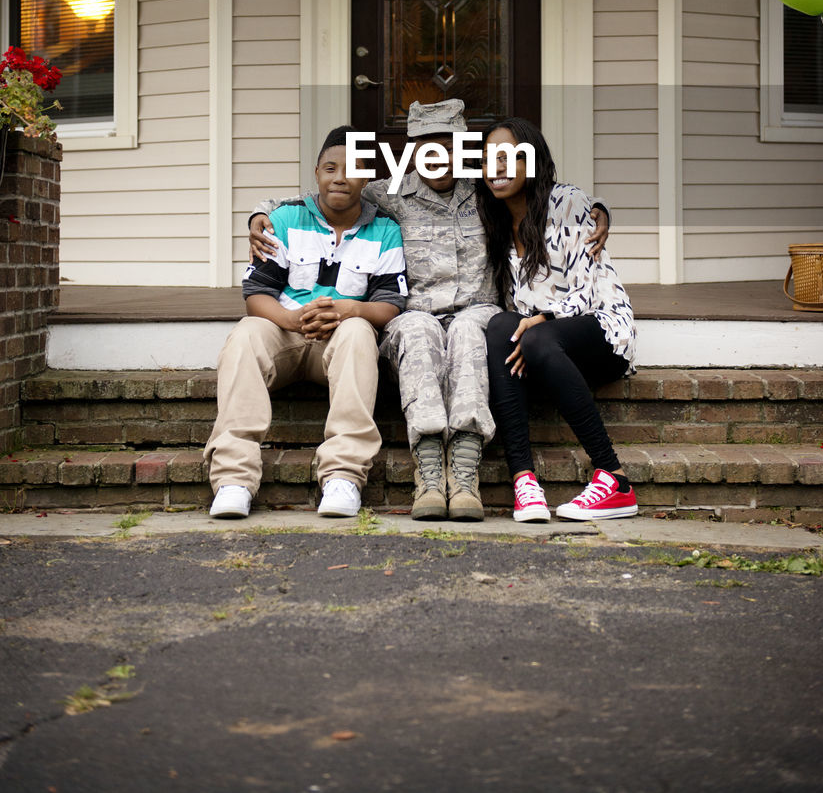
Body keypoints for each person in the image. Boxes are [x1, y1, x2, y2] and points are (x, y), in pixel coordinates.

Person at [250, 100, 610, 522]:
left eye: (448, 146)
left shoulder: (485, 189)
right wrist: (261, 212)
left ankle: (465, 469)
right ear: (412, 152)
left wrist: (598, 208)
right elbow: (332, 190)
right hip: (414, 313)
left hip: (478, 310)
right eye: (426, 147)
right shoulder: (391, 193)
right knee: (419, 330)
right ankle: (429, 469)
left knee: (470, 330)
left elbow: (545, 191)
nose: (437, 157)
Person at [205, 126, 407, 520]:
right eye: (330, 168)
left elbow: (389, 306)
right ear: (316, 173)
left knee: (359, 331)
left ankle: (343, 475)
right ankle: (233, 479)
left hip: (338, 345)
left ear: (368, 178)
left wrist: (351, 310)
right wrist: (292, 319)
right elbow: (256, 295)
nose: (340, 177)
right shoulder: (284, 219)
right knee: (247, 333)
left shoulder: (385, 230)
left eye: (353, 169)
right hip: (284, 335)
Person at [476, 117, 638, 523]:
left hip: (600, 329)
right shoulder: (492, 218)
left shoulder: (569, 201)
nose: (496, 168)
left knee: (533, 338)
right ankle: (524, 482)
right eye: (487, 159)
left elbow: (584, 290)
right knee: (499, 327)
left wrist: (542, 319)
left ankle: (614, 479)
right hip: (544, 342)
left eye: (508, 157)